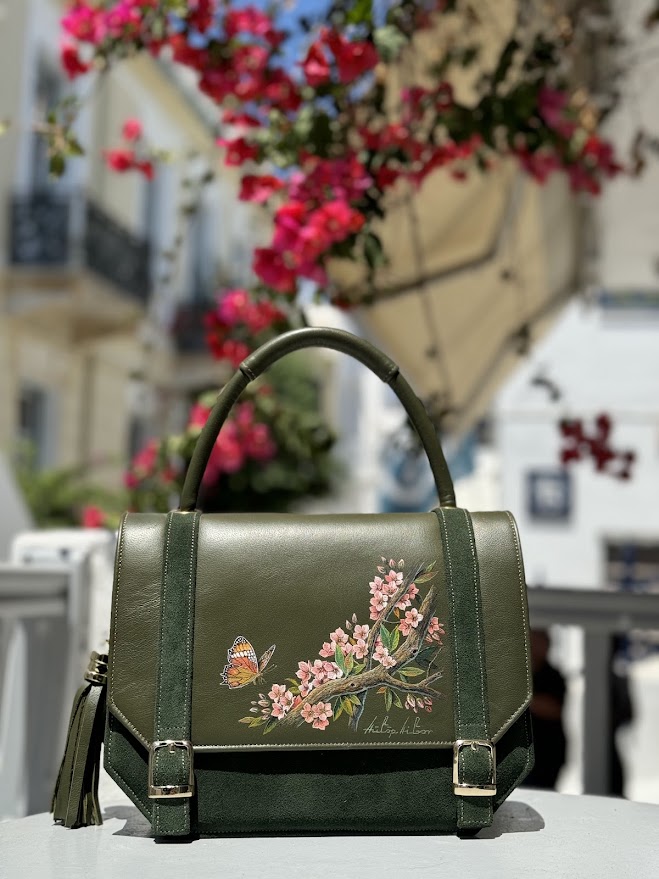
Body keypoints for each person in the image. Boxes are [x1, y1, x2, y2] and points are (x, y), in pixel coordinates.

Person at [525, 628, 567, 789]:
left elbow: (553, 708)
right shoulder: (522, 673)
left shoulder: (553, 676)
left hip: (548, 753)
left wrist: (525, 699)